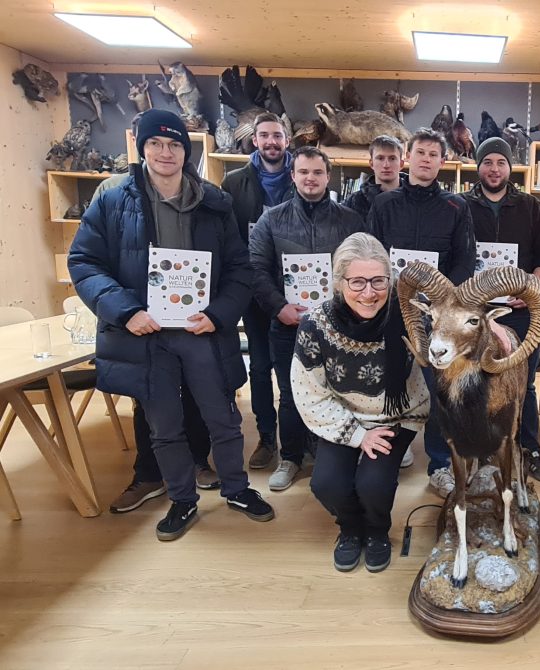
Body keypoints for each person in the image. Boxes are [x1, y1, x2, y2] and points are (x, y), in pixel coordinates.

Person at [68, 109, 273, 541]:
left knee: (224, 418)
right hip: (146, 334)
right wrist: (126, 311)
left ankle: (237, 489)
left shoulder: (216, 203)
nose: (165, 152)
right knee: (164, 425)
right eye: (156, 144)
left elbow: (240, 269)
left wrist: (218, 314)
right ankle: (182, 500)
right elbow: (85, 263)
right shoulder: (112, 198)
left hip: (202, 333)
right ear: (142, 148)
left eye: (175, 144)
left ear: (187, 150)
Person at [291, 232, 430, 573]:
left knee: (373, 483)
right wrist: (357, 436)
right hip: (342, 416)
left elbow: (454, 329)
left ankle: (378, 532)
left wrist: (490, 330)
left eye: (379, 281)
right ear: (339, 283)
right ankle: (351, 530)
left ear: (390, 279)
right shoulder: (315, 325)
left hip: (396, 415)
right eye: (357, 282)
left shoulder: (411, 315)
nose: (369, 293)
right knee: (327, 484)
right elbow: (309, 392)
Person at [249, 146, 365, 492]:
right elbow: (255, 269)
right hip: (287, 324)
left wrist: (348, 308)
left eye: (317, 173)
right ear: (293, 175)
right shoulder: (272, 219)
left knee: (338, 392)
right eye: (304, 172)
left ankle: (333, 453)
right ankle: (291, 457)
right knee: (290, 393)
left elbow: (362, 268)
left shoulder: (350, 220)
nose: (310, 179)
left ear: (328, 177)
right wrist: (278, 307)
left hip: (338, 326)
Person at [368, 127, 476, 498]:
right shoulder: (384, 204)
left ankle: (440, 464)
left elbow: (465, 260)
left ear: (442, 162)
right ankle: (392, 452)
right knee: (393, 381)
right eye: (420, 152)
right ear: (407, 158)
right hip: (392, 311)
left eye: (434, 154)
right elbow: (372, 256)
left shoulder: (457, 207)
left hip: (438, 315)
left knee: (438, 390)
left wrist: (443, 299)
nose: (426, 159)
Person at [462, 137, 540, 482]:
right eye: (487, 162)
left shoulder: (531, 207)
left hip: (520, 311)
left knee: (522, 384)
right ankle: (479, 451)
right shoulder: (461, 206)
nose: (494, 168)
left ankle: (528, 449)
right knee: (475, 382)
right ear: (478, 166)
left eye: (500, 162)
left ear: (510, 167)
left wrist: (531, 284)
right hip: (475, 313)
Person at [221, 112, 295, 470]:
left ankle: (301, 439)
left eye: (277, 136)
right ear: (255, 140)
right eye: (264, 136)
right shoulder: (234, 183)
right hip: (254, 289)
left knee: (298, 368)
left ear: (287, 140)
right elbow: (229, 239)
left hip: (299, 290)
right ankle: (268, 438)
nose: (271, 142)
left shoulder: (303, 176)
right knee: (261, 367)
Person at [343, 135, 409, 220]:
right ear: (371, 163)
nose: (386, 165)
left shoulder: (414, 198)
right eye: (380, 158)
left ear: (401, 164)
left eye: (392, 158)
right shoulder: (354, 202)